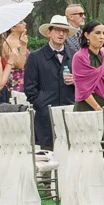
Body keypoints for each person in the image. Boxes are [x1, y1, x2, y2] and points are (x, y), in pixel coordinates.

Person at [22, 16, 73, 150]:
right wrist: (41, 103)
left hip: (69, 111)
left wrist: (76, 81)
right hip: (45, 115)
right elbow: (29, 88)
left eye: (64, 31)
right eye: (57, 30)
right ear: (49, 33)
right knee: (47, 153)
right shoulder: (35, 57)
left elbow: (86, 82)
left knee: (70, 151)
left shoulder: (75, 55)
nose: (61, 34)